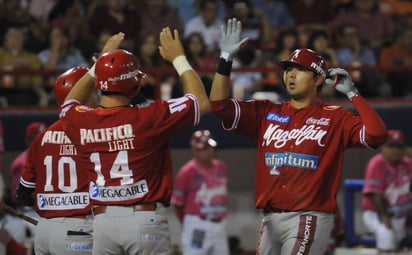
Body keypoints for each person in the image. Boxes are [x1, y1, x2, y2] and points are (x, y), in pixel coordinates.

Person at [209, 18, 388, 254]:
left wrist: (354, 94)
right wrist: (225, 58)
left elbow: (377, 135)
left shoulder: (335, 118)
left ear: (318, 79)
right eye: (288, 69)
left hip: (309, 216)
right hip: (270, 217)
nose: (291, 75)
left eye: (301, 70)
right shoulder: (267, 111)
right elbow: (219, 106)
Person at [59, 27, 210, 255]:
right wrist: (179, 58)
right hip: (144, 220)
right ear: (134, 84)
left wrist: (97, 67)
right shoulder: (149, 116)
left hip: (103, 222)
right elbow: (201, 102)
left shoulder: (82, 120)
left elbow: (68, 104)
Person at [16, 32, 125, 255]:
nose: (96, 94)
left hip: (45, 231)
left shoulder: (42, 136)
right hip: (79, 229)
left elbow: (24, 191)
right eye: (92, 91)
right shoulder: (93, 131)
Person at [171, 129, 229, 255]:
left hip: (219, 224)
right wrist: (189, 223)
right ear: (194, 150)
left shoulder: (220, 166)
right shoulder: (187, 171)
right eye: (203, 149)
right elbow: (177, 203)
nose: (208, 152)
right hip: (198, 224)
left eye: (209, 148)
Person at [361, 129, 412, 252]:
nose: (395, 150)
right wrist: (385, 217)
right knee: (387, 240)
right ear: (383, 147)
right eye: (391, 146)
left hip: (401, 215)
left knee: (399, 247)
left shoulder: (406, 163)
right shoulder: (377, 163)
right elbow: (376, 195)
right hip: (378, 213)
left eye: (399, 147)